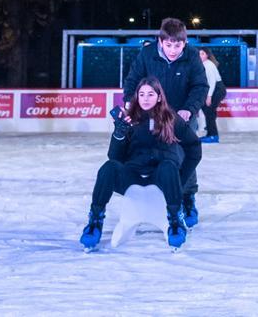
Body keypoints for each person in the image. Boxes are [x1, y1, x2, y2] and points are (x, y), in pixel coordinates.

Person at [79, 78, 202, 251]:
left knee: (168, 166)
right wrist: (119, 135)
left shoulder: (172, 119)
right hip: (133, 176)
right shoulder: (129, 119)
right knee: (108, 167)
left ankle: (175, 220)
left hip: (160, 176)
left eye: (151, 94)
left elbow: (194, 148)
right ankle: (95, 221)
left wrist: (180, 179)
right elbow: (115, 157)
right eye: (142, 94)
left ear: (159, 97)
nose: (145, 98)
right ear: (136, 96)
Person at [121, 18, 207, 226]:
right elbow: (132, 81)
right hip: (151, 116)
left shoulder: (192, 56)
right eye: (168, 45)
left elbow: (200, 86)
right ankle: (145, 200)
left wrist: (189, 109)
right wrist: (131, 103)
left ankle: (187, 198)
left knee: (184, 155)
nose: (173, 50)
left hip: (181, 117)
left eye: (178, 45)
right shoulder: (147, 54)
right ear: (161, 42)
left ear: (184, 42)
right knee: (146, 153)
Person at [197, 48, 224, 144]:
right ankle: (210, 134)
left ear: (207, 55)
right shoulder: (203, 65)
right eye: (199, 54)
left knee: (209, 111)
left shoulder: (208, 65)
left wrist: (209, 96)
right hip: (214, 89)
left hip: (217, 89)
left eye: (202, 54)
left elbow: (212, 82)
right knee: (207, 110)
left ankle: (213, 136)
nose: (200, 55)